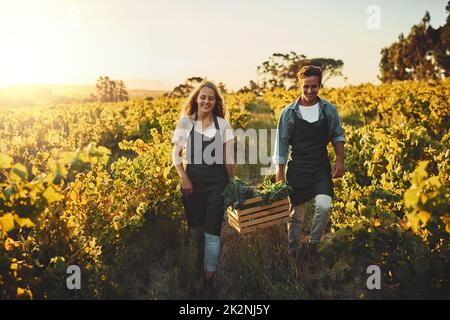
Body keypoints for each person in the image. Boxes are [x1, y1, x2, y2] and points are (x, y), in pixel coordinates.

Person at [273, 65, 345, 260]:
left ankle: (313, 244)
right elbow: (281, 146)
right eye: (306, 87)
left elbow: (337, 135)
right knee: (296, 215)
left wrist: (340, 160)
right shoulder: (288, 113)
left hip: (320, 167)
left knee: (324, 205)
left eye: (314, 86)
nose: (310, 91)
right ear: (300, 85)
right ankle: (293, 249)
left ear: (319, 85)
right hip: (297, 168)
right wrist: (279, 175)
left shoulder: (328, 109)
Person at [172, 80, 234, 297]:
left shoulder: (223, 125)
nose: (207, 101)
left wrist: (231, 184)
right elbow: (175, 154)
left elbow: (228, 159)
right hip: (193, 185)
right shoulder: (186, 123)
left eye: (211, 97)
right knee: (196, 231)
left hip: (217, 185)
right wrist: (184, 178)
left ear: (216, 101)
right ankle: (197, 266)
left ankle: (209, 278)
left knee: (212, 233)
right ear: (196, 99)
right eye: (203, 97)